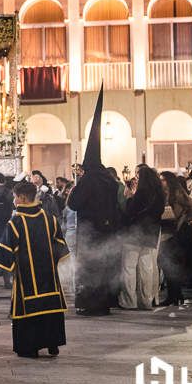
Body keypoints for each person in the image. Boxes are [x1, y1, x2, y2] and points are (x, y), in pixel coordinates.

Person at [0, 180, 69, 358]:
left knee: (29, 308)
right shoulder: (50, 220)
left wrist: (1, 267)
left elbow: (5, 251)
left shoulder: (15, 223)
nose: (13, 201)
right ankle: (52, 344)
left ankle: (30, 347)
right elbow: (60, 247)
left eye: (15, 197)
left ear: (23, 198)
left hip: (27, 278)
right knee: (50, 307)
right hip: (49, 277)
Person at [66, 86, 120, 316]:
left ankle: (90, 304)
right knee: (105, 266)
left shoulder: (88, 181)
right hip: (106, 231)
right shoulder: (109, 179)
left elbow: (74, 204)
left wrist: (75, 187)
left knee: (90, 268)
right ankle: (105, 302)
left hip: (90, 232)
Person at [119, 165, 165, 310]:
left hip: (135, 233)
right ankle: (146, 300)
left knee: (129, 267)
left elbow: (129, 211)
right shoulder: (160, 194)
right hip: (151, 233)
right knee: (147, 267)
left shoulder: (141, 193)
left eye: (138, 177)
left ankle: (129, 301)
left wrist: (130, 197)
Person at [159, 171, 192, 306]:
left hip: (175, 233)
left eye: (163, 179)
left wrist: (182, 219)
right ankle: (175, 295)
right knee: (169, 264)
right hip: (168, 231)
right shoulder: (167, 194)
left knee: (172, 264)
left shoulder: (176, 193)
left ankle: (174, 296)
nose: (161, 181)